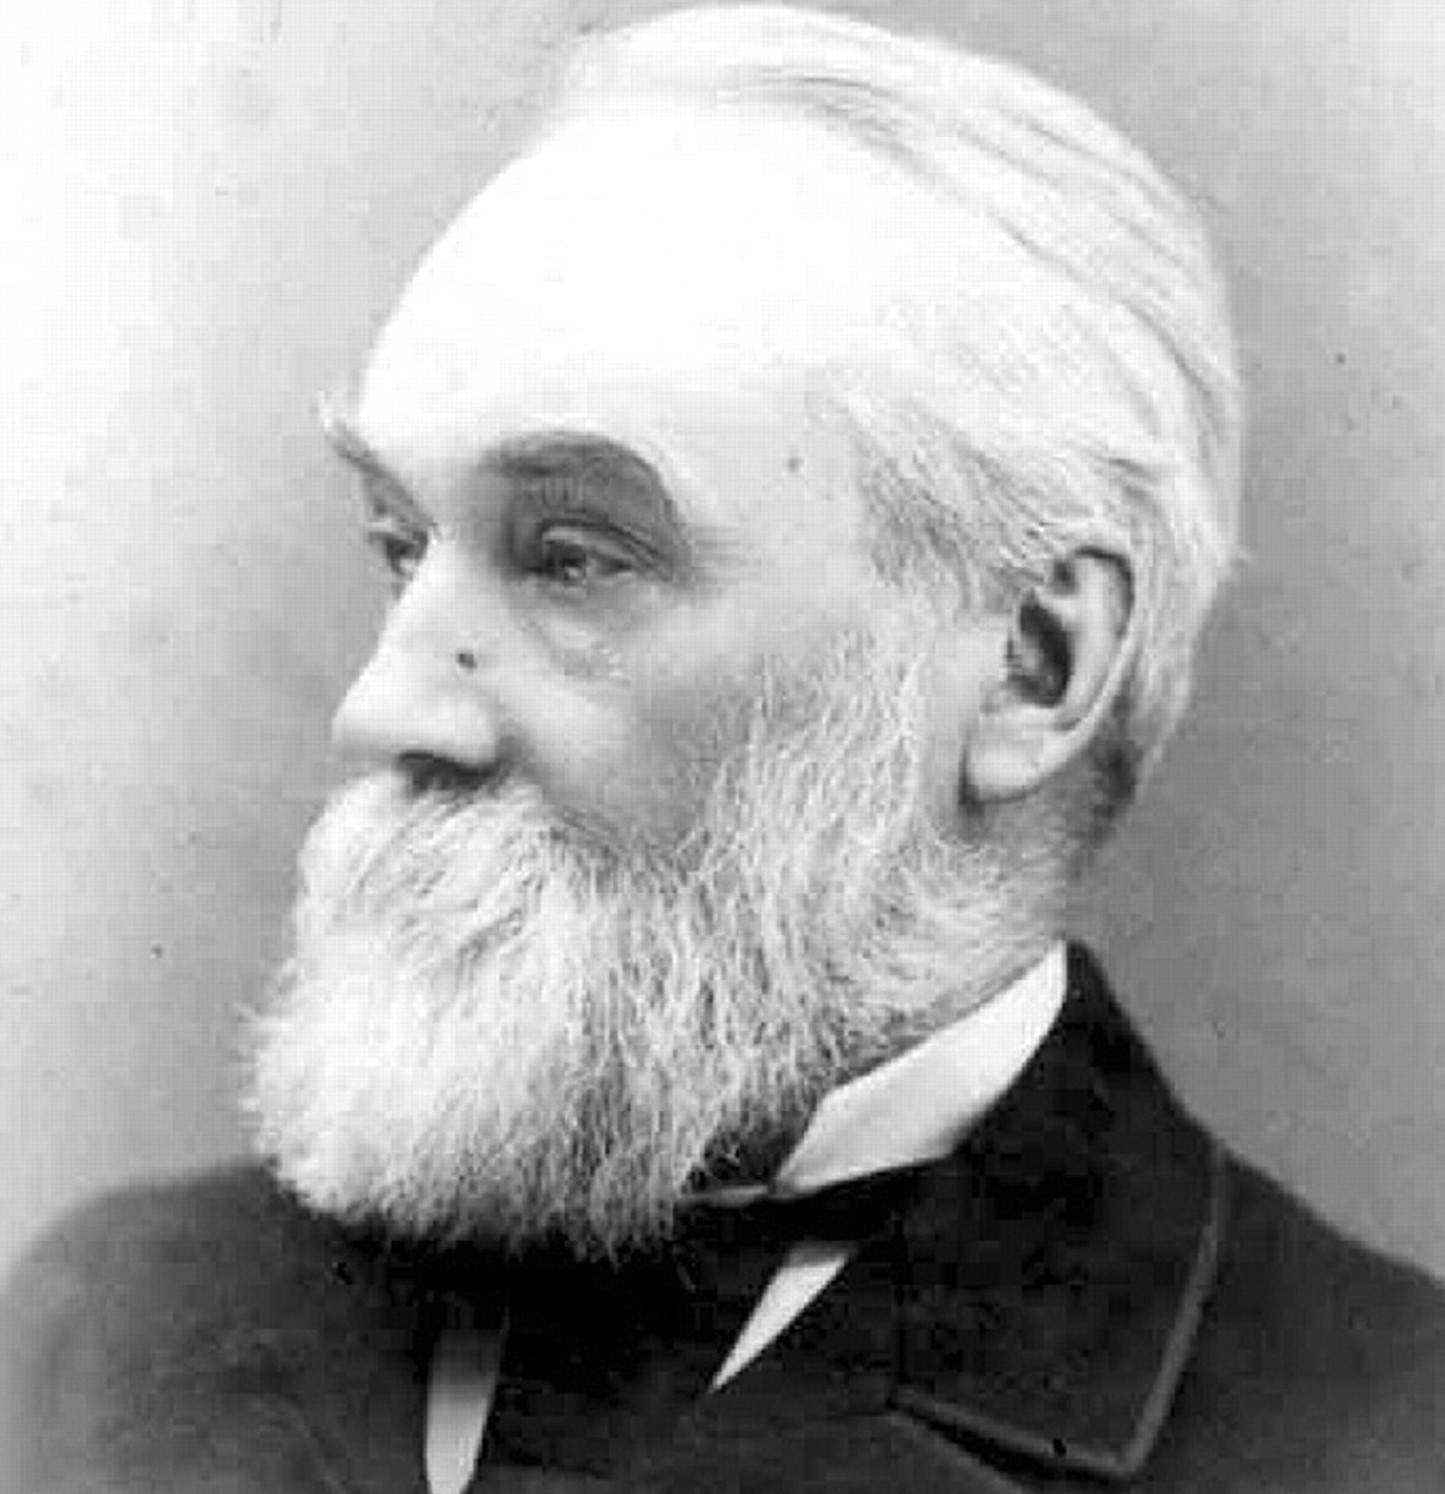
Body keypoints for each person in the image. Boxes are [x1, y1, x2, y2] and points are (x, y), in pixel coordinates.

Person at [3, 6, 1442, 1491]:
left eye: (573, 556)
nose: (383, 706)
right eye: (401, 544)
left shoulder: (1382, 1438)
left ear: (1033, 665)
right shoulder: (87, 1334)